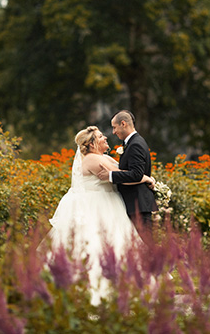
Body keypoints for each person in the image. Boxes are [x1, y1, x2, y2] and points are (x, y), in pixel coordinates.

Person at [45, 126, 154, 303]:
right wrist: (147, 178)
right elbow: (124, 175)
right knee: (98, 245)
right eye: (100, 136)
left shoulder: (101, 157)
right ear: (91, 143)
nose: (105, 138)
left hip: (107, 202)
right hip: (97, 205)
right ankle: (96, 289)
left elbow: (122, 174)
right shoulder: (92, 160)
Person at [97, 110, 157, 228]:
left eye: (114, 127)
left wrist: (110, 176)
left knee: (145, 244)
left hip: (138, 206)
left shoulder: (135, 144)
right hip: (134, 205)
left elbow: (136, 174)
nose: (113, 132)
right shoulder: (132, 143)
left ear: (123, 124)